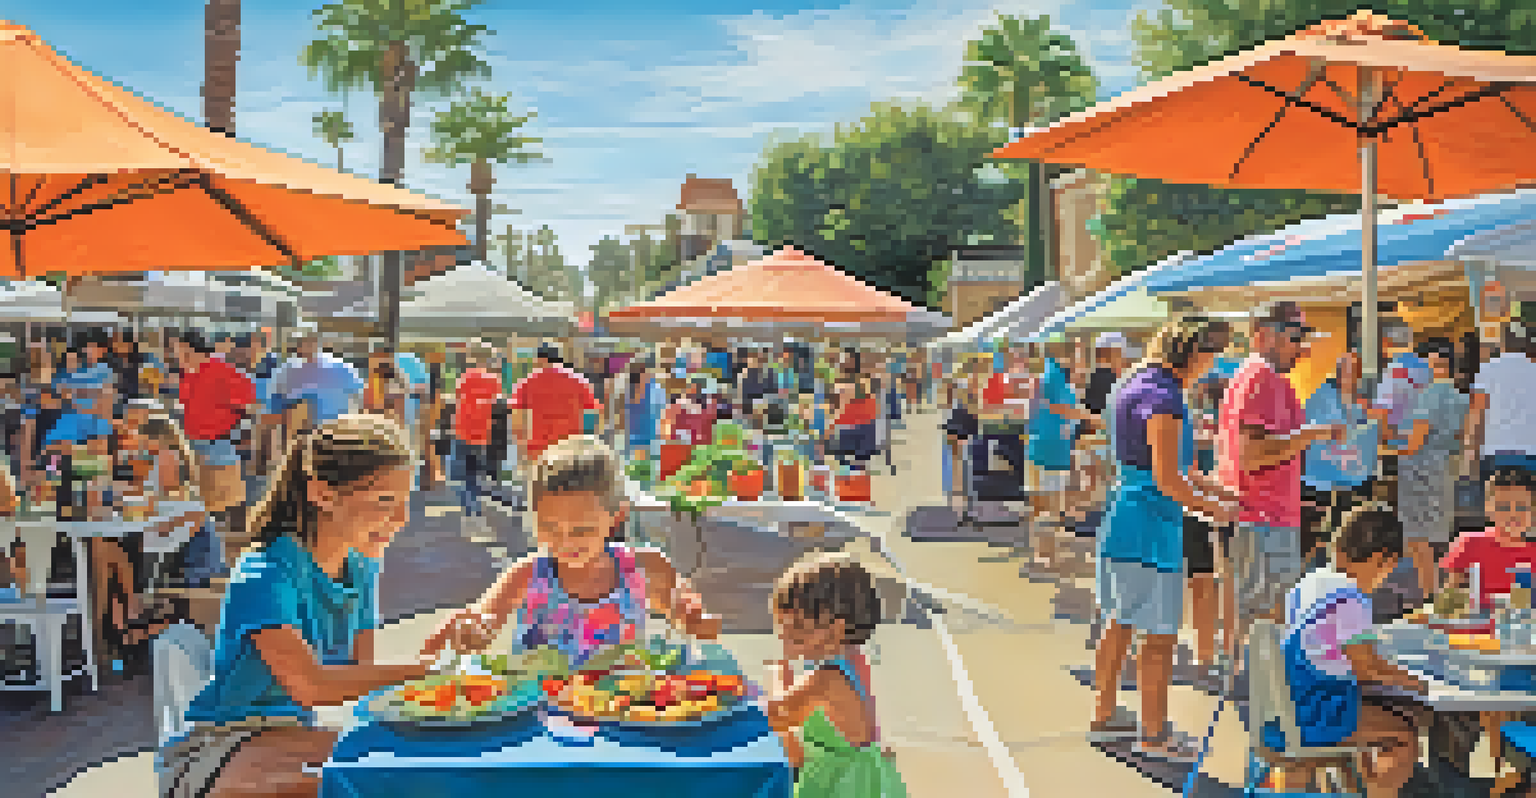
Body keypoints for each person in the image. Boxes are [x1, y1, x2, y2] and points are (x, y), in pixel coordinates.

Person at [158, 415, 427, 798]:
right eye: (384, 500)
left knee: (414, 767)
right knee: (373, 780)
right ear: (322, 493)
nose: (401, 520)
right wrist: (426, 671)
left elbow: (360, 674)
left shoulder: (363, 564)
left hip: (290, 734)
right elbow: (310, 687)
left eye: (405, 502)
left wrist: (440, 677)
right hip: (215, 750)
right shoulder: (266, 571)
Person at [421, 435, 722, 666]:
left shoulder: (645, 568)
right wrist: (474, 629)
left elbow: (686, 610)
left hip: (622, 717)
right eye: (549, 528)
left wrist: (696, 620)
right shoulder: (528, 574)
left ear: (617, 517)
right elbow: (484, 620)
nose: (565, 542)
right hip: (540, 723)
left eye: (582, 530)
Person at [1092, 317, 1238, 760]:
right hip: (1151, 527)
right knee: (1157, 637)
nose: (1213, 365)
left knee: (1118, 621)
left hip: (1124, 519)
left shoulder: (1133, 382)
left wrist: (1215, 490)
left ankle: (1104, 715)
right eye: (1211, 354)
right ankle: (1154, 736)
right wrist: (1218, 509)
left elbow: (1175, 470)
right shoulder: (1166, 397)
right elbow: (1168, 480)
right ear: (1192, 353)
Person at [1260, 507, 1425, 795]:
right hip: (1315, 714)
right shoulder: (1352, 597)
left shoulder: (1311, 581)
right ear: (1382, 558)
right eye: (1389, 570)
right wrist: (1417, 682)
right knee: (1403, 735)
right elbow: (1366, 669)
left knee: (1376, 720)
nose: (1385, 579)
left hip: (1283, 706)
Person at [1219, 302, 1343, 650]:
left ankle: (1253, 690)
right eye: (1294, 337)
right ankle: (1261, 697)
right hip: (1263, 516)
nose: (1302, 349)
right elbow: (1252, 455)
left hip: (1259, 515)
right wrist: (1311, 434)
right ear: (1263, 336)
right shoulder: (1262, 378)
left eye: (1304, 338)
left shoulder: (1255, 376)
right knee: (1266, 619)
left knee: (1260, 617)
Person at [766, 552, 907, 798]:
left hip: (839, 784)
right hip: (867, 779)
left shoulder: (825, 680)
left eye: (798, 631)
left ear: (837, 629)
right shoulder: (855, 658)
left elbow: (774, 717)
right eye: (782, 629)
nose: (786, 640)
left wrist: (780, 671)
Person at [1386, 337, 1468, 600]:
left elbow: (1415, 442)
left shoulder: (1427, 396)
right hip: (1445, 469)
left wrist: (1388, 449)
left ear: (1432, 364)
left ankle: (1430, 595)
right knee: (1438, 537)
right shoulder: (1460, 399)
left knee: (1419, 541)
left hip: (1420, 472)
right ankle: (1443, 594)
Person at [176, 330, 258, 584]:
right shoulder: (190, 375)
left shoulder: (220, 370)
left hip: (215, 447)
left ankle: (216, 568)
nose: (175, 356)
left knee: (211, 511)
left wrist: (232, 423)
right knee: (200, 511)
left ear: (190, 350)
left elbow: (251, 402)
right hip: (195, 447)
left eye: (177, 350)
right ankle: (211, 567)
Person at [1302, 352, 1378, 570]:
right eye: (1347, 369)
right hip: (1322, 473)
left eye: (1355, 370)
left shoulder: (1362, 398)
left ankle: (1344, 565)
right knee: (1319, 527)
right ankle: (1317, 568)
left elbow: (1369, 429)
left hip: (1353, 472)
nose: (1351, 375)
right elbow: (1323, 428)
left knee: (1350, 522)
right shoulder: (1321, 396)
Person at [506, 343, 602, 467]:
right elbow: (594, 414)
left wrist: (521, 447)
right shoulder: (579, 381)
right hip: (570, 448)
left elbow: (517, 419)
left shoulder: (526, 383)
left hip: (538, 450)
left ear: (540, 359)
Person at [1465, 321, 1536, 481]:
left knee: (1495, 503)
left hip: (1495, 449)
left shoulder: (1486, 370)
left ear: (1502, 343)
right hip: (1532, 450)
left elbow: (1477, 414)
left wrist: (1471, 454)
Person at [449, 344, 503, 543]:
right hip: (481, 433)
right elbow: (496, 404)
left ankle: (468, 512)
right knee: (475, 474)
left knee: (460, 475)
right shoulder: (494, 381)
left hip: (462, 430)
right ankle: (475, 511)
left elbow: (457, 399)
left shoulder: (465, 378)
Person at [268, 335, 365, 428]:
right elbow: (276, 402)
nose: (306, 345)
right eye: (302, 342)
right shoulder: (286, 370)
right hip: (299, 430)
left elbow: (360, 395)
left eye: (309, 341)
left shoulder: (341, 367)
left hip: (338, 427)